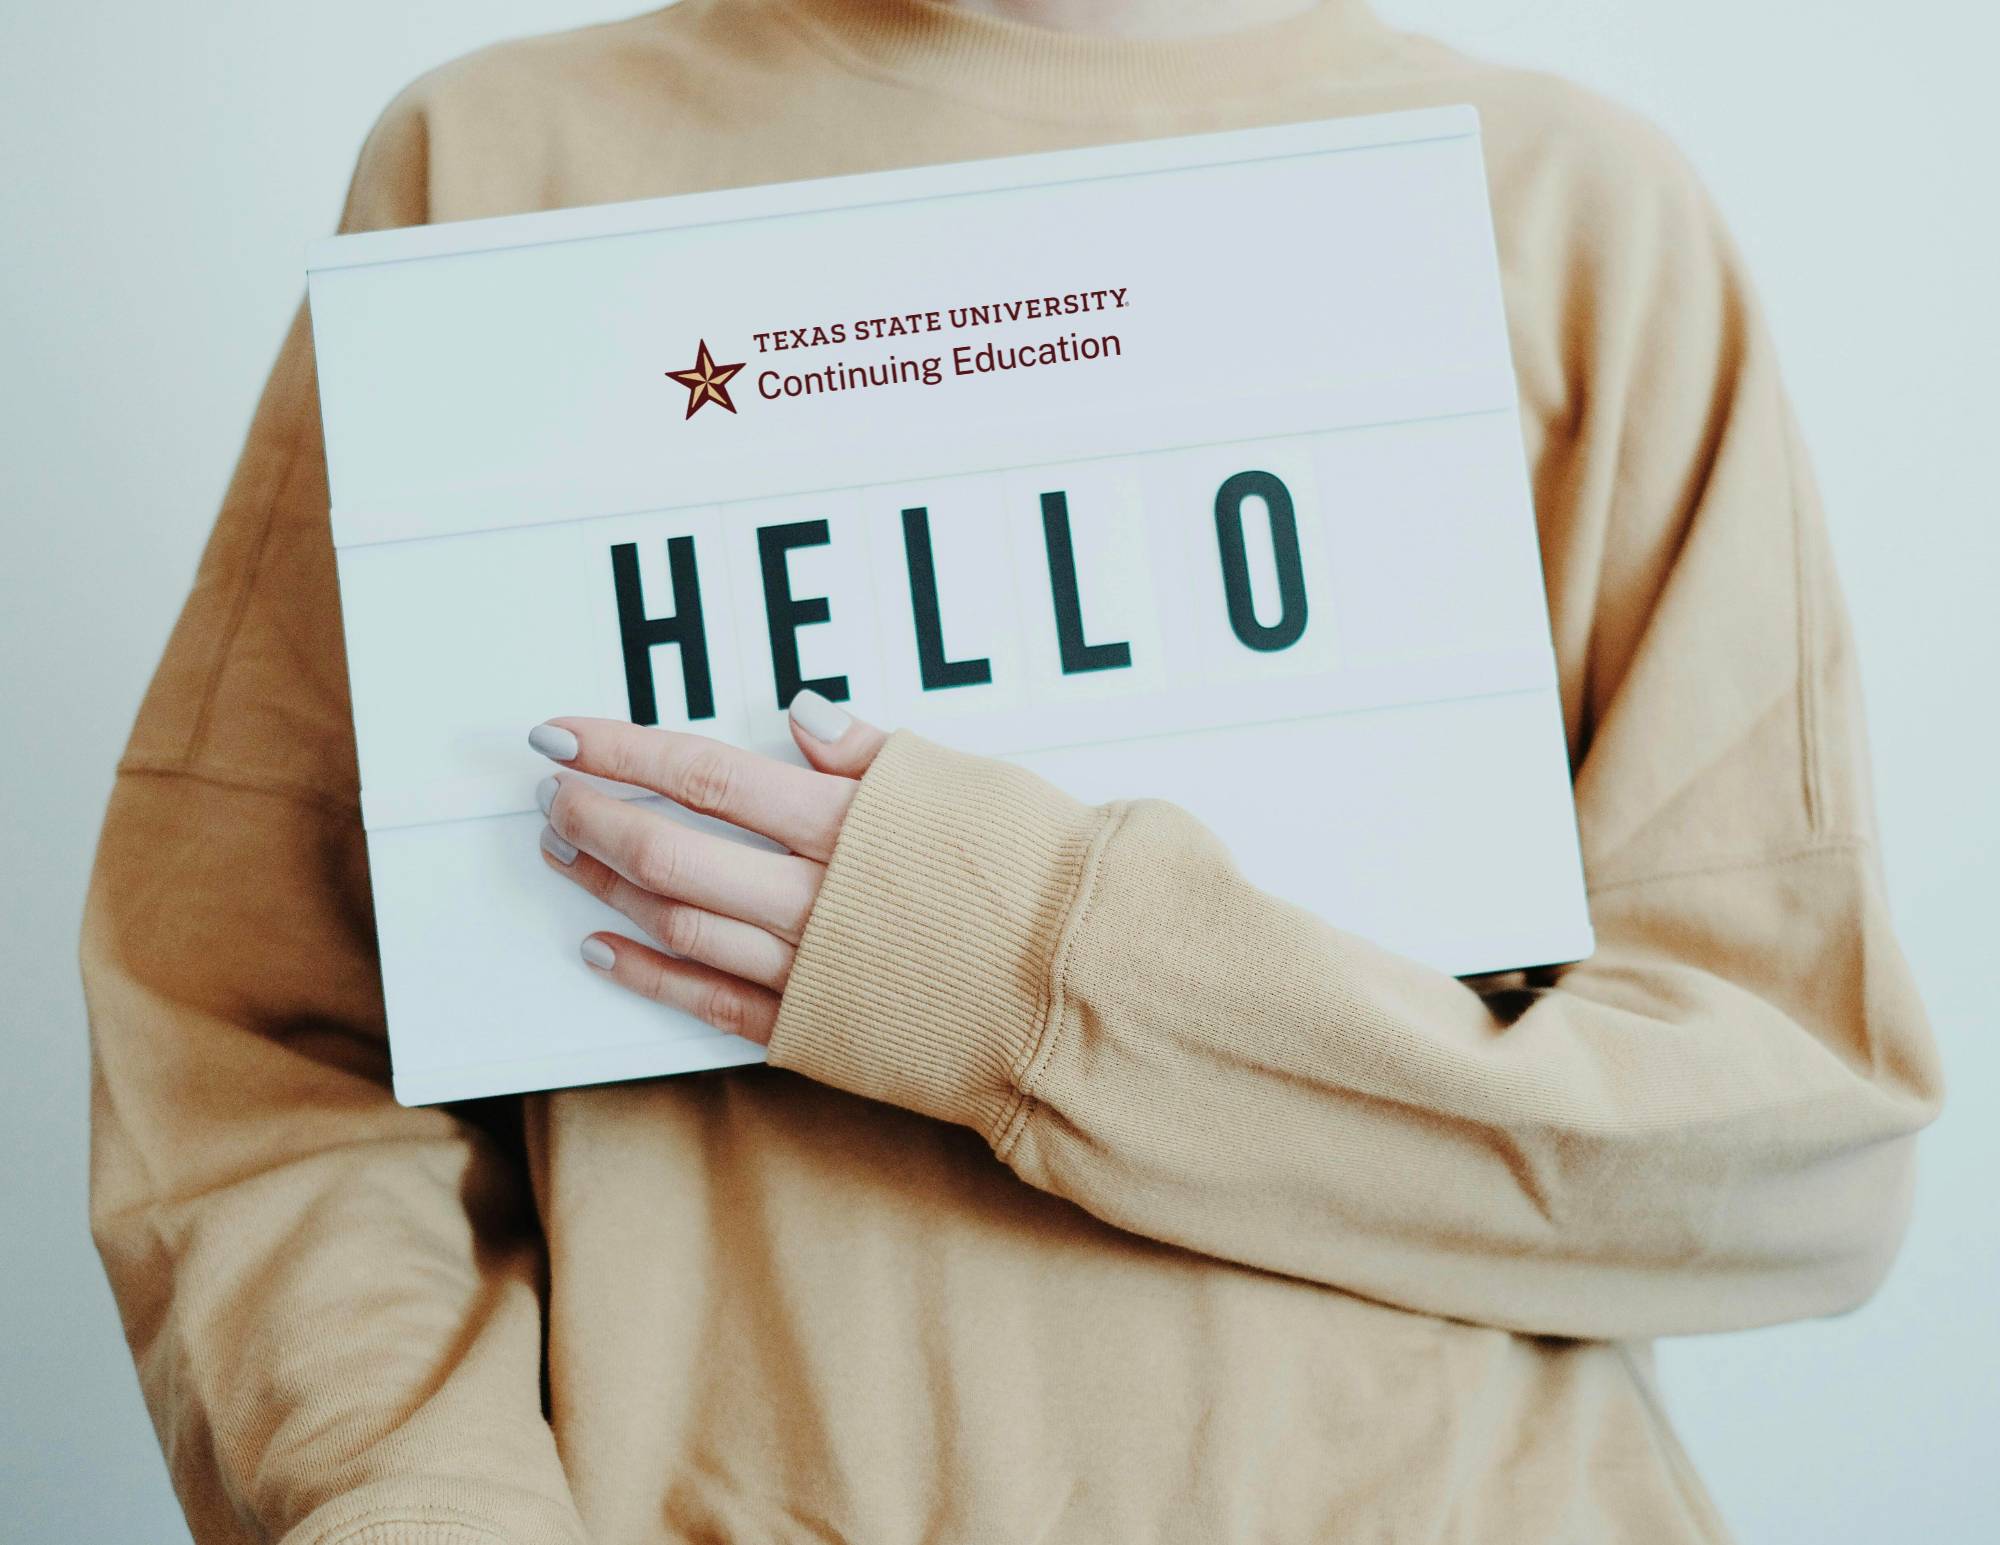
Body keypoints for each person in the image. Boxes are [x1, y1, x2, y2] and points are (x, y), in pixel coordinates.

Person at [80, 2, 1943, 1541]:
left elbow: (1796, 1149)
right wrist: (417, 1506)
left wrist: (1028, 973)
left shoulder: (1568, 211)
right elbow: (250, 1046)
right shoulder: (484, 175)